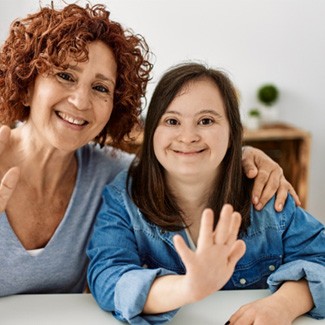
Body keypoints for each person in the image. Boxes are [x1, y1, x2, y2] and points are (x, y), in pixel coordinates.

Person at [0, 2, 297, 297]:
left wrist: (245, 157)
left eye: (101, 88)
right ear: (27, 85)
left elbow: (179, 162)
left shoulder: (112, 172)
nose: (80, 101)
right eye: (65, 76)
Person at [87, 62, 325, 324]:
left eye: (206, 120)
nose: (188, 136)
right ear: (152, 130)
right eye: (172, 121)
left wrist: (282, 305)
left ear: (234, 133)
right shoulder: (124, 196)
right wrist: (189, 287)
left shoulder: (265, 193)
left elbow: (319, 257)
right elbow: (108, 276)